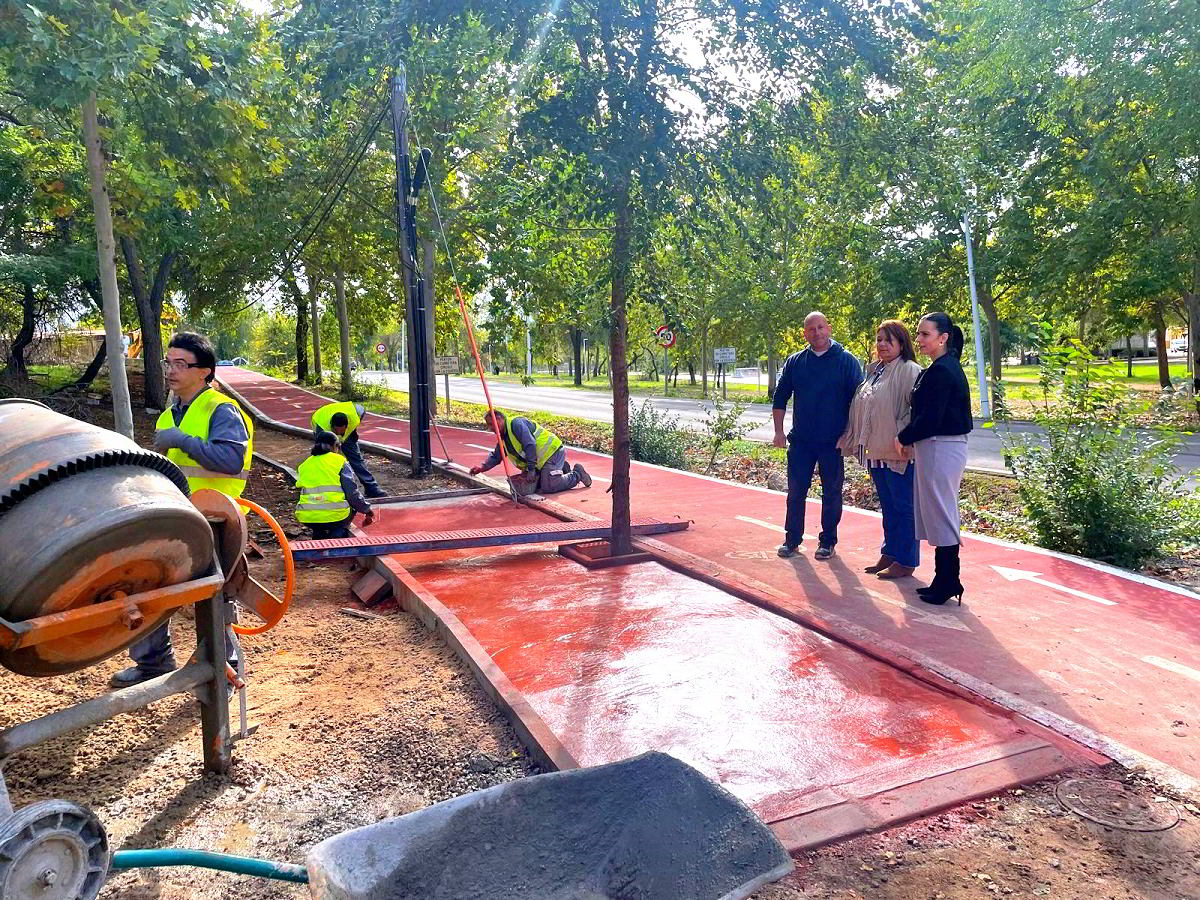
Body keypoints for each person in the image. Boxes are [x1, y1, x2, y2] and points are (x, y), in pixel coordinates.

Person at [111, 332, 252, 687]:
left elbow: (232, 460)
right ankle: (153, 663)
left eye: (181, 364)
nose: (171, 371)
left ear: (205, 371)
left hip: (217, 521)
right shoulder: (168, 416)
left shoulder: (221, 410)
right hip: (177, 517)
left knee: (214, 600)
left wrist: (182, 441)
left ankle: (223, 671)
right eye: (168, 363)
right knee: (148, 585)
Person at [772, 311, 864, 560]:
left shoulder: (846, 361)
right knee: (796, 492)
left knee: (832, 492)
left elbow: (858, 402)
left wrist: (849, 434)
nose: (817, 332)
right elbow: (780, 397)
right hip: (801, 440)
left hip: (832, 441)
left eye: (821, 327)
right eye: (811, 329)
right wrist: (778, 432)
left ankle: (828, 541)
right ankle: (792, 540)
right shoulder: (795, 362)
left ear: (829, 328)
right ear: (805, 333)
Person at [897, 312, 973, 605]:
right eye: (918, 334)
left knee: (941, 512)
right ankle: (945, 579)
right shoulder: (941, 367)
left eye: (925, 334)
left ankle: (948, 580)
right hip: (936, 447)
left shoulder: (943, 370)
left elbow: (930, 417)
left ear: (943, 338)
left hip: (942, 446)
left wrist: (903, 437)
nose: (919, 339)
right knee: (939, 512)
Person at [837, 320, 923, 578]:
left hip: (898, 453)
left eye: (888, 340)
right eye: (879, 339)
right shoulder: (875, 371)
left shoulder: (909, 370)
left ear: (901, 343)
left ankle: (906, 560)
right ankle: (891, 552)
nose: (882, 344)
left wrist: (903, 435)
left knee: (904, 507)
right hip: (876, 452)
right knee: (888, 505)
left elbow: (915, 410)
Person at [468, 410, 592, 494]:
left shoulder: (516, 424)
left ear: (499, 419)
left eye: (491, 424)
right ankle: (561, 468)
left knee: (548, 486)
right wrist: (482, 468)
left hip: (552, 452)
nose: (490, 428)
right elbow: (496, 456)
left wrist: (532, 470)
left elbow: (530, 444)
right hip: (540, 461)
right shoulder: (504, 436)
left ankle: (577, 474)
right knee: (534, 486)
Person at [295, 430, 377, 538]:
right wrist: (367, 509)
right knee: (348, 510)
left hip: (308, 516)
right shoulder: (339, 461)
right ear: (334, 446)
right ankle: (338, 536)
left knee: (319, 523)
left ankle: (319, 535)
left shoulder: (304, 465)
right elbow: (352, 493)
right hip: (336, 516)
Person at [310, 400, 387, 499]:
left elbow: (361, 411)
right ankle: (327, 488)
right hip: (324, 431)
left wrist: (352, 432)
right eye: (337, 431)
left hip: (348, 434)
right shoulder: (322, 428)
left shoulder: (356, 414)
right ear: (332, 427)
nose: (339, 434)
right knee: (326, 460)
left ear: (347, 425)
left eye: (342, 431)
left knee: (356, 458)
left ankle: (372, 488)